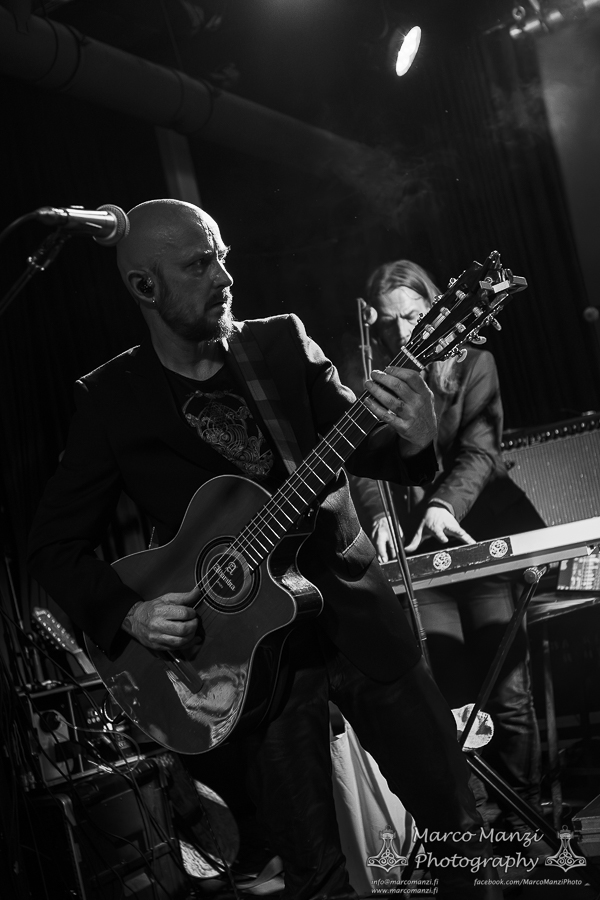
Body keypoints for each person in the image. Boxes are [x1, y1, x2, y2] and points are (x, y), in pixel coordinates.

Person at [28, 201, 500, 899]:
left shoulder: (279, 344)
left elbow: (371, 446)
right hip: (241, 666)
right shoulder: (112, 399)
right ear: (145, 287)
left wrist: (415, 432)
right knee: (315, 877)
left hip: (352, 617)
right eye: (200, 264)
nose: (224, 276)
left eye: (221, 256)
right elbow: (52, 546)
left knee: (460, 830)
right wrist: (131, 613)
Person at [350, 259, 545, 829]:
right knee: (454, 697)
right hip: (419, 557)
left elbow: (481, 451)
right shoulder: (373, 378)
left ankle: (525, 822)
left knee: (506, 694)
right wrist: (376, 516)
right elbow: (362, 462)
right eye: (390, 321)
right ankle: (477, 824)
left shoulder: (475, 363)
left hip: (478, 535)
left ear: (436, 309)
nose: (403, 331)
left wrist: (442, 506)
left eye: (414, 316)